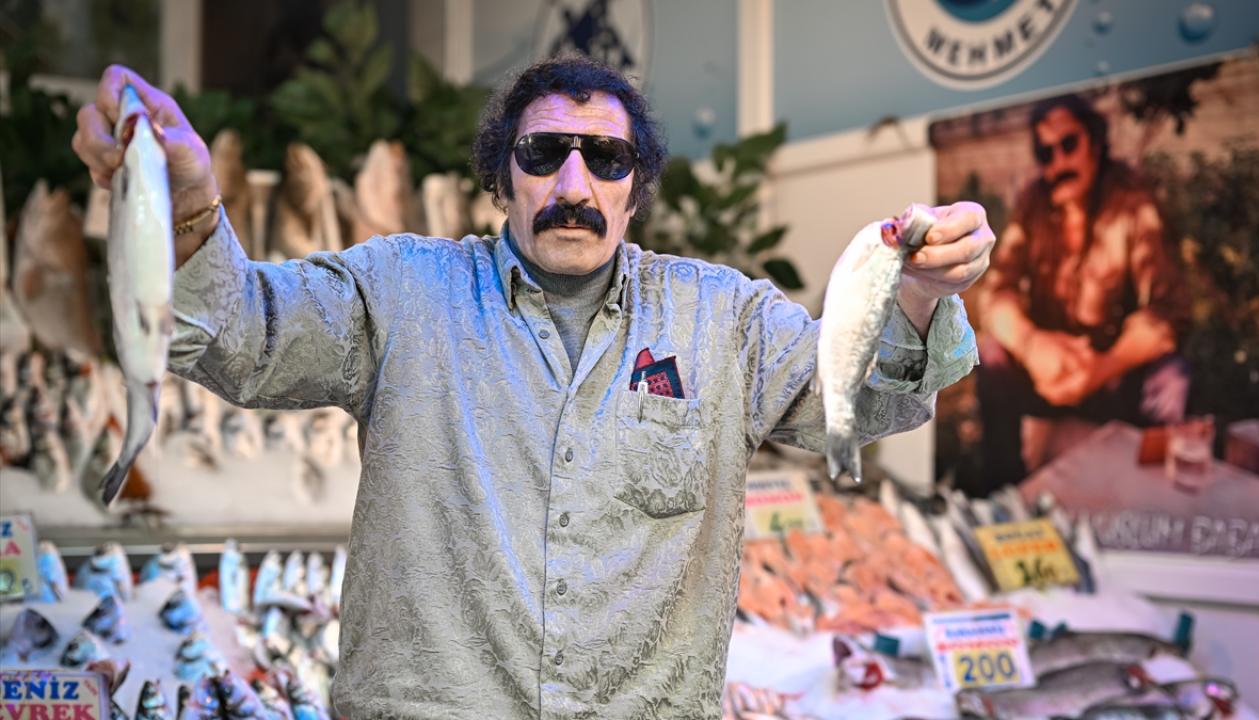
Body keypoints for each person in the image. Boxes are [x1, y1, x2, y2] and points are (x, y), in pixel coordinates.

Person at [73, 57, 993, 718]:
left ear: (637, 189)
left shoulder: (726, 321)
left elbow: (863, 401)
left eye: (607, 160)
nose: (574, 183)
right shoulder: (401, 291)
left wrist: (919, 291)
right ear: (501, 177)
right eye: (545, 152)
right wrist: (185, 200)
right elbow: (240, 336)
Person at [973, 92, 1188, 496]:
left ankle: (1151, 498)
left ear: (1095, 142)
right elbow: (996, 293)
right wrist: (1032, 345)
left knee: (1171, 377)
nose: (1058, 164)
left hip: (1111, 372)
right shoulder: (1034, 201)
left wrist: (1100, 369)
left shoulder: (1132, 202)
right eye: (1045, 153)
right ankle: (1005, 497)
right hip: (1049, 370)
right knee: (991, 353)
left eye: (1068, 145)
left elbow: (1168, 313)